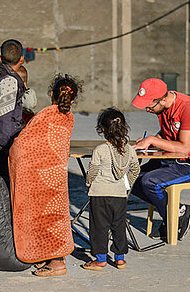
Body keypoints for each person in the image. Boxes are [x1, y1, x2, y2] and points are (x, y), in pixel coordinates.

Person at [9, 74, 82, 277]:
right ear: (73, 99)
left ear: (51, 94)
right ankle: (55, 258)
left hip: (40, 176)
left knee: (44, 217)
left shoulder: (46, 114)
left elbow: (23, 144)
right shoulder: (69, 117)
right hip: (56, 176)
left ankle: (57, 263)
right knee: (55, 218)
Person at [131, 78, 190, 241]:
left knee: (150, 182)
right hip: (172, 159)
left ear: (162, 99)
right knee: (132, 179)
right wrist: (148, 141)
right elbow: (167, 133)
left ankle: (174, 217)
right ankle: (179, 211)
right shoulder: (162, 109)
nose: (147, 109)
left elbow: (184, 149)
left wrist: (153, 140)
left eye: (149, 105)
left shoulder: (187, 107)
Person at [82, 108, 140, 271]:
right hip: (119, 195)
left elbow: (93, 170)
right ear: (124, 128)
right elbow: (135, 169)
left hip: (99, 194)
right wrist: (126, 184)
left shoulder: (100, 150)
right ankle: (120, 259)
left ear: (102, 130)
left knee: (99, 227)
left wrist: (88, 183)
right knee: (118, 226)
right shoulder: (129, 149)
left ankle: (100, 259)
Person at [0, 39, 25, 179]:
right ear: (22, 59)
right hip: (1, 144)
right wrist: (9, 145)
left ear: (1, 58)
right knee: (2, 186)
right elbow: (4, 118)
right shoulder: (10, 81)